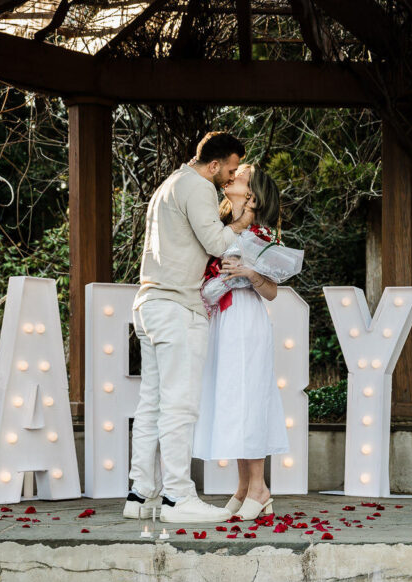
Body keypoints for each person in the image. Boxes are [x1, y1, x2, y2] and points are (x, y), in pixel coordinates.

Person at [124, 132, 254, 524]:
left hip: (148, 303)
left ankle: (140, 494)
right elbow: (217, 243)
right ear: (213, 165)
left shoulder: (170, 185)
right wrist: (243, 218)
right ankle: (178, 497)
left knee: (151, 405)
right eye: (230, 170)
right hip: (177, 307)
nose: (231, 178)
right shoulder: (197, 186)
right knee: (180, 407)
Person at [193, 164, 290, 521]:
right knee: (232, 399)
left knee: (249, 397)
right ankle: (244, 487)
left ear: (252, 193)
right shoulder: (218, 229)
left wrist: (250, 273)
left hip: (246, 319)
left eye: (241, 175)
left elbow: (272, 292)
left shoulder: (260, 234)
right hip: (221, 319)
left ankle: (260, 487)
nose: (231, 177)